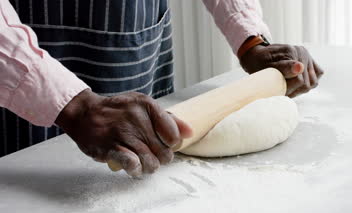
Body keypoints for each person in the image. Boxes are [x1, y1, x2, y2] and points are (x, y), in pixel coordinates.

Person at [0, 0, 323, 177]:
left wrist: (249, 36)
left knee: (146, 148)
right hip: (13, 76)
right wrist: (74, 105)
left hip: (132, 35)